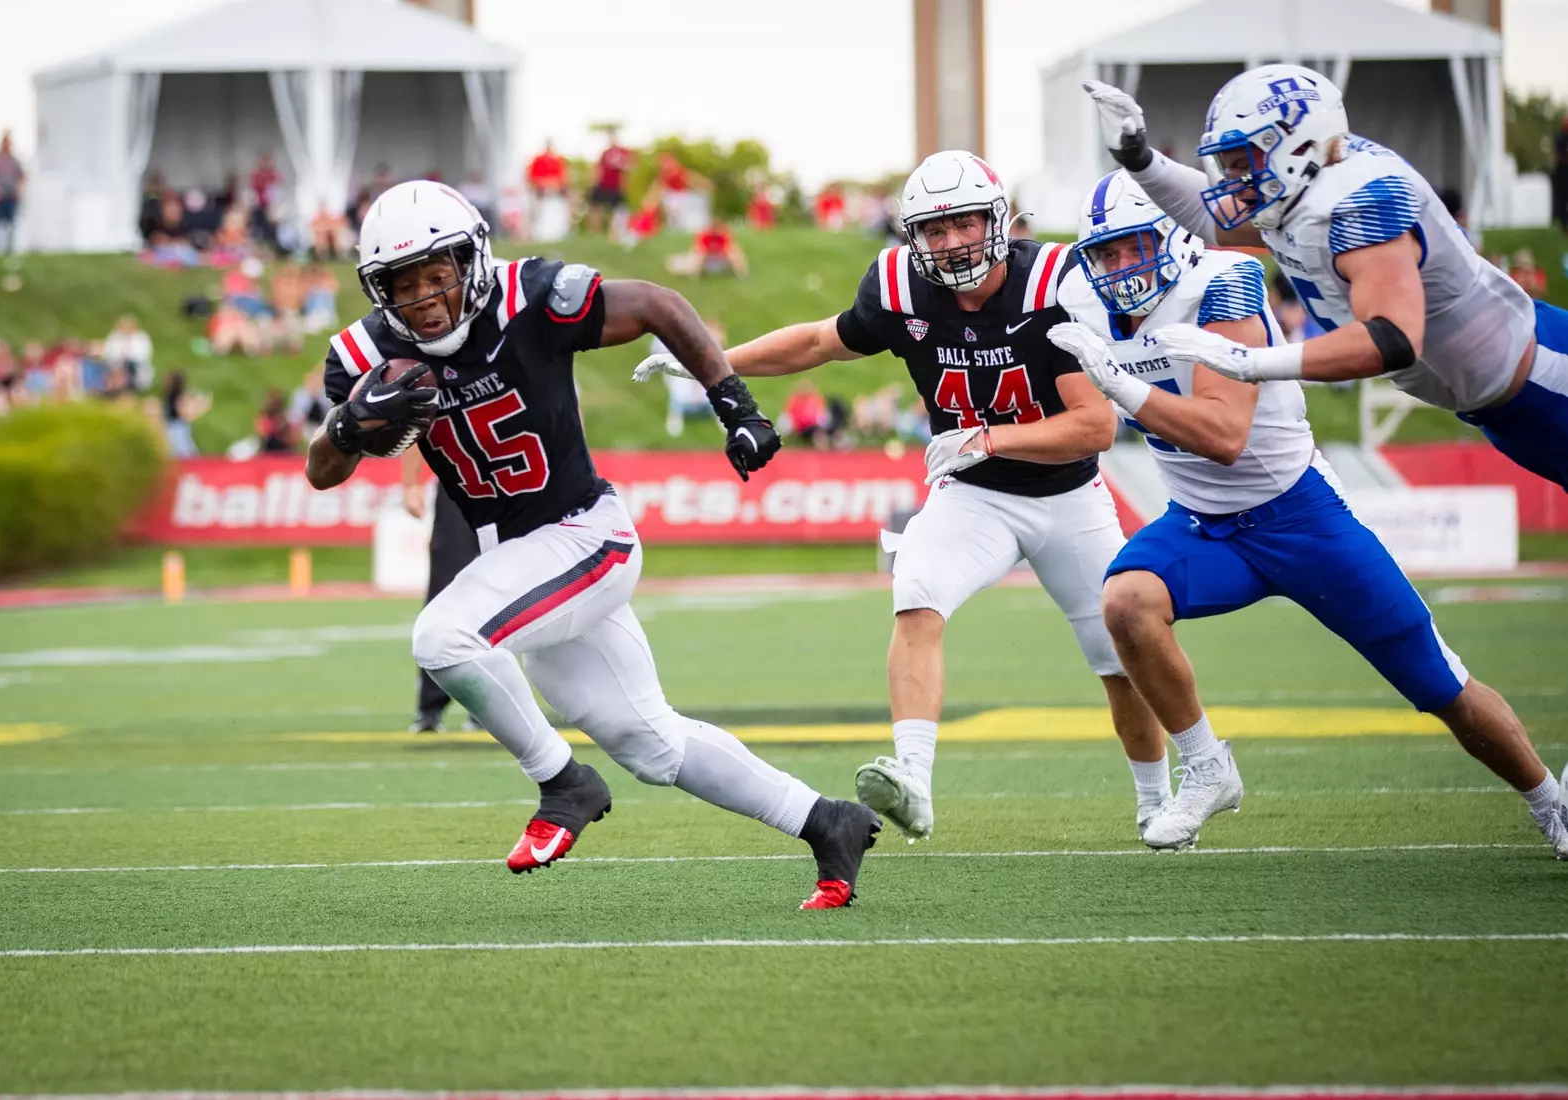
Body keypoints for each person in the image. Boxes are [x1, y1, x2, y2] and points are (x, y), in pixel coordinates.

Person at [305, 180, 880, 908]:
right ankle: (826, 822)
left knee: (442, 636)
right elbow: (322, 471)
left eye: (437, 272)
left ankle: (562, 782)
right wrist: (348, 426)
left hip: (582, 534)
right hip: (518, 562)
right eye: (403, 283)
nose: (424, 296)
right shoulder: (366, 353)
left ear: (470, 260)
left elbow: (659, 304)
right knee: (651, 744)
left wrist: (734, 403)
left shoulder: (528, 296)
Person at [1033, 169, 1568, 856]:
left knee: (1440, 684)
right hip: (1202, 522)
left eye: (1130, 247)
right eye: (1103, 254)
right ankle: (1207, 767)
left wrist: (1120, 387)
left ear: (1171, 236)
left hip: (1301, 516)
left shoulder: (1222, 281)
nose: (1116, 268)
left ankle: (1548, 800)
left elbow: (1225, 436)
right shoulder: (1077, 295)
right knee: (1125, 603)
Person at [635, 151, 1165, 841]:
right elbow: (819, 342)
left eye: (964, 224)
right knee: (916, 594)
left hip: (1068, 494)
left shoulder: (1052, 284)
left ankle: (1157, 799)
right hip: (973, 494)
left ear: (997, 220)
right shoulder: (901, 288)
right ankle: (913, 780)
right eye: (934, 230)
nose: (951, 243)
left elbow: (1096, 427)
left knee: (1118, 657)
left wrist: (988, 439)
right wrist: (713, 365)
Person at [1087, 67, 1568, 492]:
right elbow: (1212, 217)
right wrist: (1140, 159)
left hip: (1541, 377)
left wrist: (1253, 363)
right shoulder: (1303, 189)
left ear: (1296, 145)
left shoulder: (1359, 197)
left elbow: (1392, 339)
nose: (1232, 179)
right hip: (1503, 402)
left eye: (1242, 162)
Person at [400, 443, 481, 733]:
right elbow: (416, 424)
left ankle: (490, 705)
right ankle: (430, 706)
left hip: (517, 485)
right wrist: (410, 484)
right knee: (445, 592)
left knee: (509, 597)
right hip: (459, 483)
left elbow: (568, 420)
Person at [585, 130, 632, 237]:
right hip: (603, 184)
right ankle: (594, 231)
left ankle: (613, 232)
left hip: (615, 186)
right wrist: (594, 181)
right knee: (594, 207)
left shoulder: (623, 152)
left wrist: (624, 184)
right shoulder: (605, 153)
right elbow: (598, 168)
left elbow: (629, 167)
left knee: (616, 210)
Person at [0, 133, 22, 254]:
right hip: (0, 196)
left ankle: (10, 247)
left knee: (11, 223)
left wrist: (18, 188)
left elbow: (21, 176)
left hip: (11, 195)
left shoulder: (15, 160)